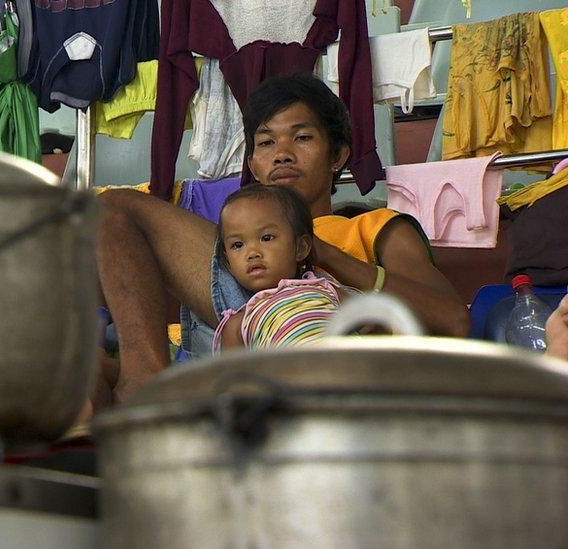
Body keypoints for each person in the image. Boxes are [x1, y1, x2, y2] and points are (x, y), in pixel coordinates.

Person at [96, 72, 470, 405]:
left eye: (302, 137)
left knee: (119, 206)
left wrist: (322, 256)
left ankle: (146, 386)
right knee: (107, 211)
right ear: (254, 165)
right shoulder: (237, 239)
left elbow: (453, 320)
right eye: (266, 143)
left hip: (325, 339)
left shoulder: (375, 225)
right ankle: (143, 382)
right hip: (239, 335)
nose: (282, 155)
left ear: (338, 154)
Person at [212, 184, 349, 352]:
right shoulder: (238, 325)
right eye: (237, 245)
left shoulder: (327, 289)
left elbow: (373, 322)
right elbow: (236, 376)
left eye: (267, 238)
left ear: (300, 247)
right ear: (228, 263)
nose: (252, 253)